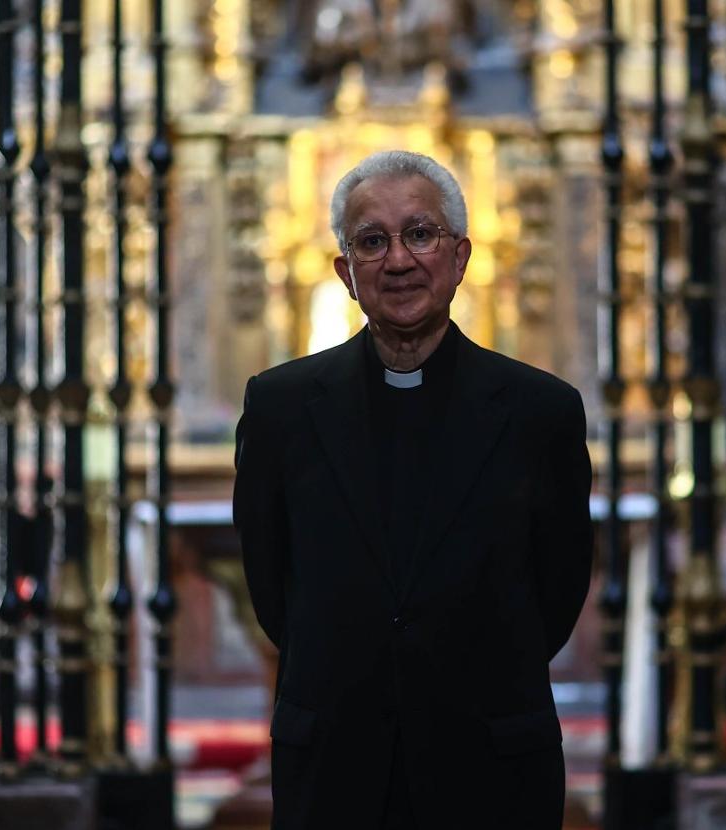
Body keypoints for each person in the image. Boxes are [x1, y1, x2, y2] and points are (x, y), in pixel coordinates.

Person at [233, 150, 594, 830]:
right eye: (372, 242)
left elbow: (558, 587)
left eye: (420, 234)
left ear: (459, 257)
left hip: (489, 763)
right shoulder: (281, 408)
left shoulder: (539, 412)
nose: (398, 260)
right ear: (346, 272)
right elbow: (272, 585)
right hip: (336, 769)